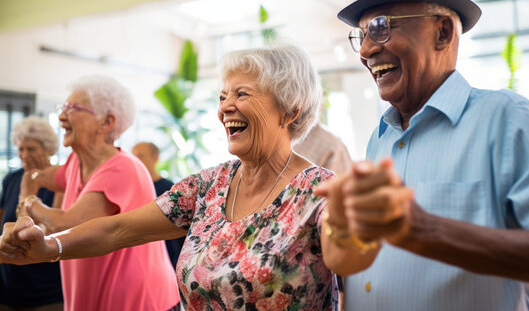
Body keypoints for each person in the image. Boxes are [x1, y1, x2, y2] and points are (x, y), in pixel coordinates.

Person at [314, 0, 529, 310]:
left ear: (442, 32)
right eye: (362, 34)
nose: (366, 50)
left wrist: (422, 230)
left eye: (381, 27)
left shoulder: (504, 119)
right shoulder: (380, 137)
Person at [0, 43, 335, 310]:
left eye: (241, 94)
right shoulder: (208, 186)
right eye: (222, 96)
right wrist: (49, 247)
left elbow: (352, 266)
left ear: (291, 108)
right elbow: (119, 229)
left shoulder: (320, 191)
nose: (225, 107)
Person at [6, 76, 179, 311]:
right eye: (62, 107)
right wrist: (30, 181)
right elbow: (39, 176)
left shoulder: (122, 167)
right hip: (87, 294)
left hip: (138, 300)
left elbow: (65, 225)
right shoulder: (76, 163)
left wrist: (27, 202)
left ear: (106, 122)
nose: (61, 116)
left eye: (73, 108)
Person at [0, 117, 64, 310]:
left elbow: (54, 228)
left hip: (45, 288)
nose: (24, 154)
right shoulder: (12, 178)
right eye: (21, 149)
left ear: (49, 149)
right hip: (8, 284)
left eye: (31, 149)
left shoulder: (60, 181)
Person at [131, 141, 184, 269]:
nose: (136, 160)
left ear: (155, 158)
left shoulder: (171, 189)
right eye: (133, 156)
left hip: (168, 260)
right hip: (139, 260)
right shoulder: (132, 189)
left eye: (141, 156)